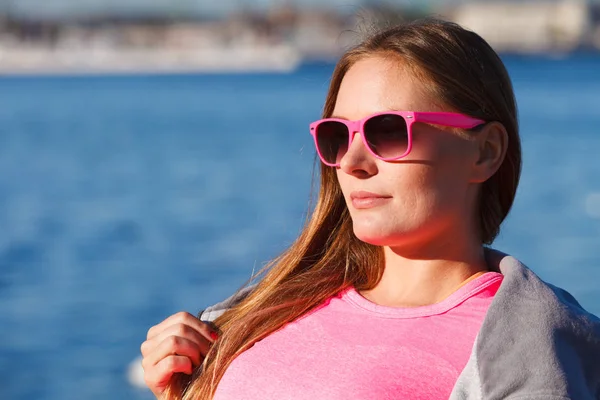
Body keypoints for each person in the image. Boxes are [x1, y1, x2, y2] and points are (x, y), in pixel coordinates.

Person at [140, 18, 600, 400]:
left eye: (388, 133)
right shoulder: (272, 307)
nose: (353, 163)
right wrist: (180, 387)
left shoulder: (524, 349)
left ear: (484, 152)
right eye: (338, 137)